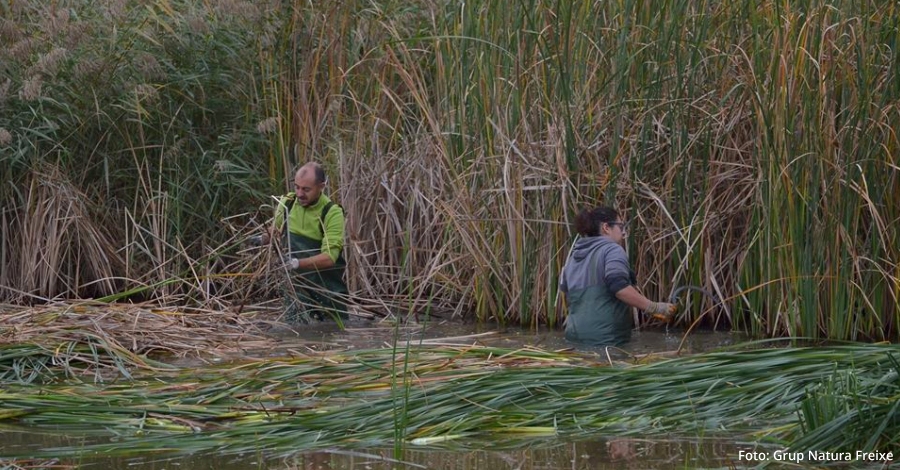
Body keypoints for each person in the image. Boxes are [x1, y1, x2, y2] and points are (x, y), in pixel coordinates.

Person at [559, 206, 676, 346]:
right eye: (621, 226)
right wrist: (655, 308)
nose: (624, 231)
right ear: (606, 228)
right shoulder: (612, 250)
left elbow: (566, 293)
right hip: (605, 340)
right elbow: (619, 288)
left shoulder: (573, 257)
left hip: (574, 337)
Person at [262, 162, 348, 323]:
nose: (299, 194)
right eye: (297, 187)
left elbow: (330, 257)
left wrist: (295, 263)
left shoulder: (332, 212)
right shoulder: (287, 203)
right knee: (296, 336)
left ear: (321, 186)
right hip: (296, 292)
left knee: (332, 337)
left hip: (327, 294)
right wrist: (259, 240)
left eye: (306, 189)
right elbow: (274, 232)